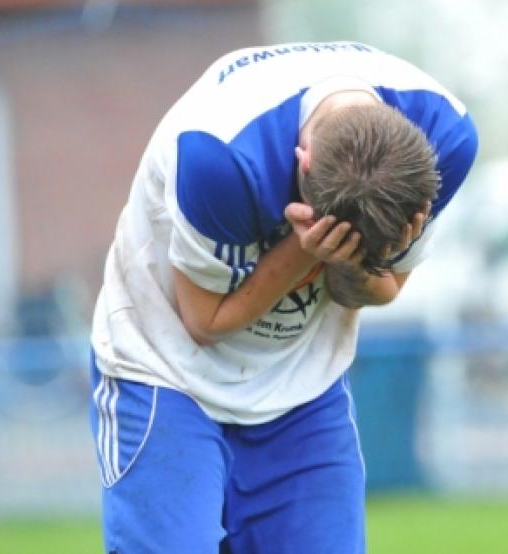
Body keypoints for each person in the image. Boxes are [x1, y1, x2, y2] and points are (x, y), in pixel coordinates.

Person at [90, 42, 478, 553]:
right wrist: (303, 248)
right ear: (304, 159)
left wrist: (346, 259)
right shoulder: (220, 155)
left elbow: (382, 290)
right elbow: (204, 322)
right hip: (165, 366)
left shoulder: (442, 142)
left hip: (300, 379)